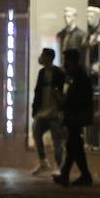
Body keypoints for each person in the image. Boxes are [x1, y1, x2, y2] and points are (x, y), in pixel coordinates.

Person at [53, 48, 94, 187]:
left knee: (73, 145)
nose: (64, 64)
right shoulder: (76, 77)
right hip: (75, 116)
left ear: (72, 62)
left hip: (77, 117)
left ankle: (70, 174)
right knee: (74, 147)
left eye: (66, 61)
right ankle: (82, 175)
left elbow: (76, 100)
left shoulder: (80, 78)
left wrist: (63, 101)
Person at [30, 47, 66, 175]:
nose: (42, 58)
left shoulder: (58, 73)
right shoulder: (41, 73)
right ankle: (43, 161)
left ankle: (58, 166)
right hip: (43, 112)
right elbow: (37, 91)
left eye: (44, 56)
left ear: (49, 58)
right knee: (36, 131)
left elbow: (61, 93)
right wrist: (35, 109)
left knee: (57, 140)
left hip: (55, 113)